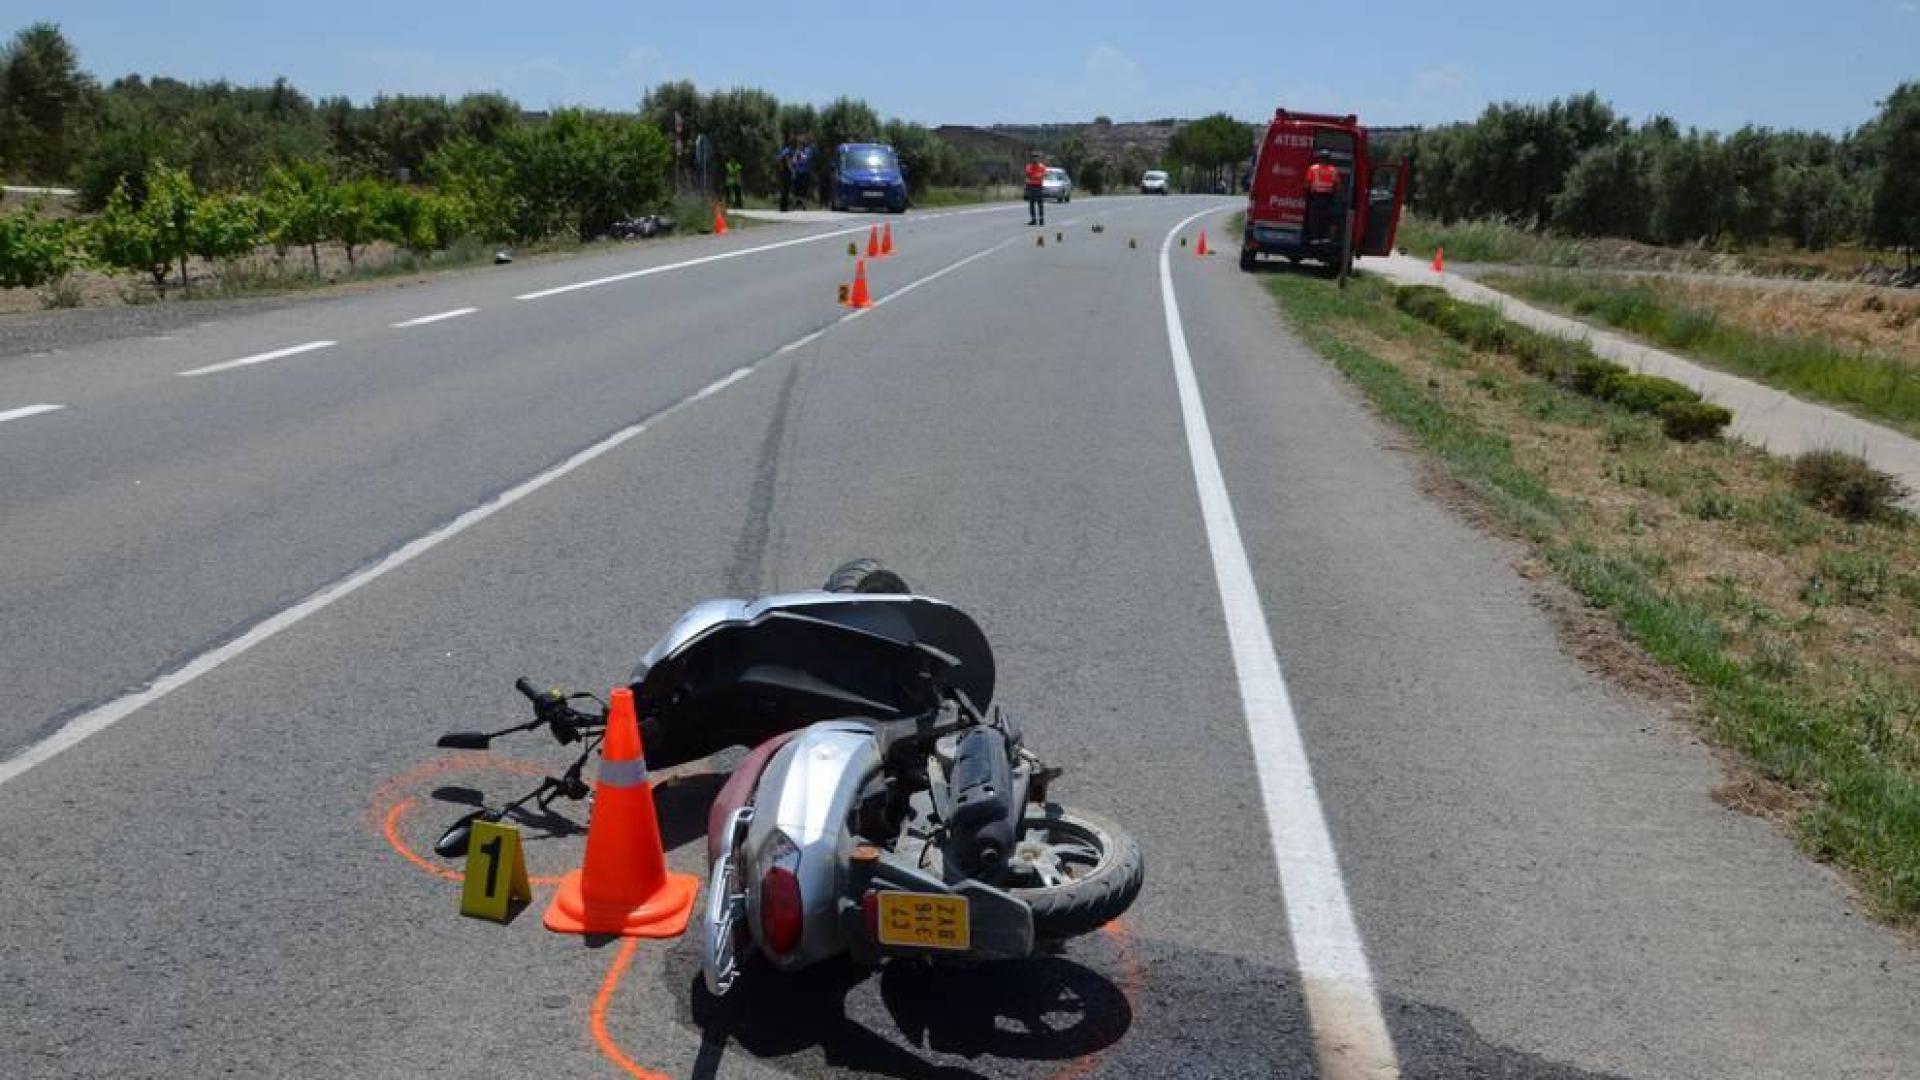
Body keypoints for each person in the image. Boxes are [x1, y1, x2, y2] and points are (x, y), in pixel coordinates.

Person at [1304, 149, 1342, 243]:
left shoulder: (1313, 168)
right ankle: (1324, 237)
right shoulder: (1333, 170)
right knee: (1326, 218)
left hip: (1316, 197)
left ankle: (1314, 237)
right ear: (1329, 159)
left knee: (1315, 217)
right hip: (1328, 198)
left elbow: (1307, 184)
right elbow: (1338, 186)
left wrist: (1307, 194)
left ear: (1320, 158)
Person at [1024, 150, 1048, 227]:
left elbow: (1044, 174)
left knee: (1040, 204)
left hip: (1039, 186)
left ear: (1038, 158)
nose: (1035, 159)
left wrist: (1036, 175)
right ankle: (1033, 219)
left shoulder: (1042, 166)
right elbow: (1028, 174)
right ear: (1031, 158)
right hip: (1031, 186)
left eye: (1036, 157)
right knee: (1031, 204)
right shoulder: (1029, 166)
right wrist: (1037, 175)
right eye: (1033, 157)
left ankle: (1041, 219)